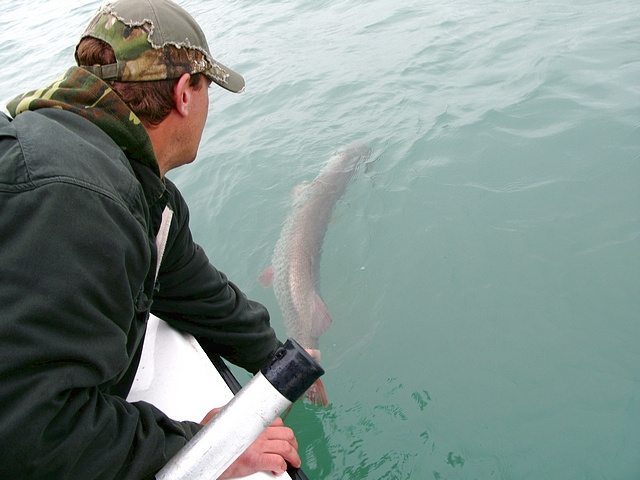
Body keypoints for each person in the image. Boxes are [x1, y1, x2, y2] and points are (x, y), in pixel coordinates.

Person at [0, 0, 301, 478]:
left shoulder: (141, 193)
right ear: (185, 93)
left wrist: (286, 358)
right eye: (208, 89)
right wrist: (204, 449)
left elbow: (202, 296)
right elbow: (35, 431)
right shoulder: (78, 202)